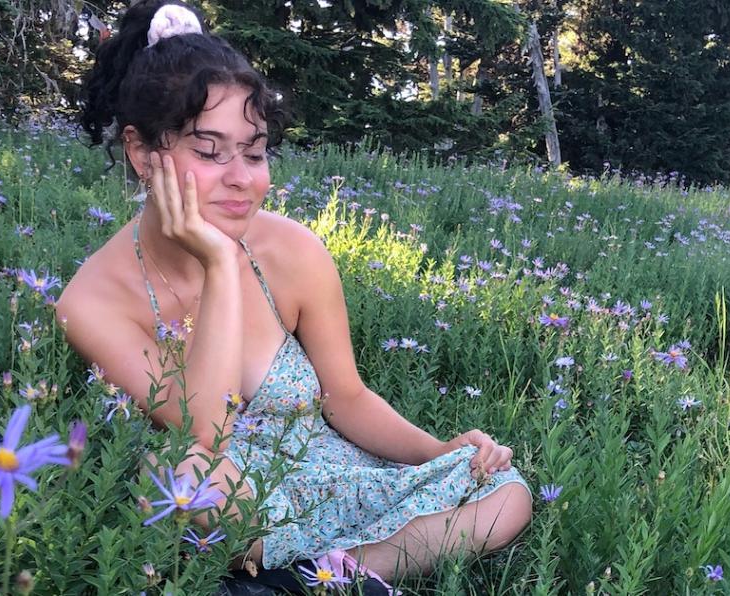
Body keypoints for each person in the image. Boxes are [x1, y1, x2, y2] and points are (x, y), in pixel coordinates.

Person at [57, 0, 531, 591]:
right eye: (209, 152)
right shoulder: (93, 301)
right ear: (142, 152)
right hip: (228, 491)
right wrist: (221, 264)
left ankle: (333, 574)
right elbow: (204, 433)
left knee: (507, 493)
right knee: (192, 486)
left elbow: (346, 397)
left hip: (325, 474)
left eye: (254, 152)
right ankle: (314, 568)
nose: (241, 177)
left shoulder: (293, 251)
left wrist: (437, 452)